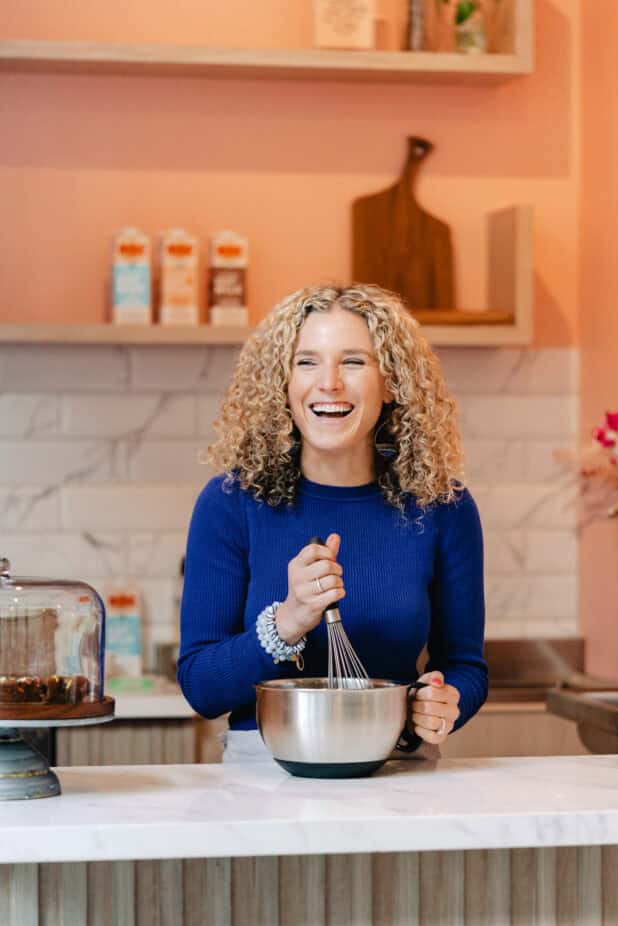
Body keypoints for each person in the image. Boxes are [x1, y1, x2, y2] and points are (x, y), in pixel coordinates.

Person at [178, 283, 487, 760]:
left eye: (354, 361)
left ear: (391, 384)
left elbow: (465, 666)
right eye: (307, 362)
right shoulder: (229, 504)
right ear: (282, 384)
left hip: (397, 768)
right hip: (264, 775)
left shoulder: (442, 506)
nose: (329, 383)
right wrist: (288, 621)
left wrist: (445, 704)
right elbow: (202, 688)